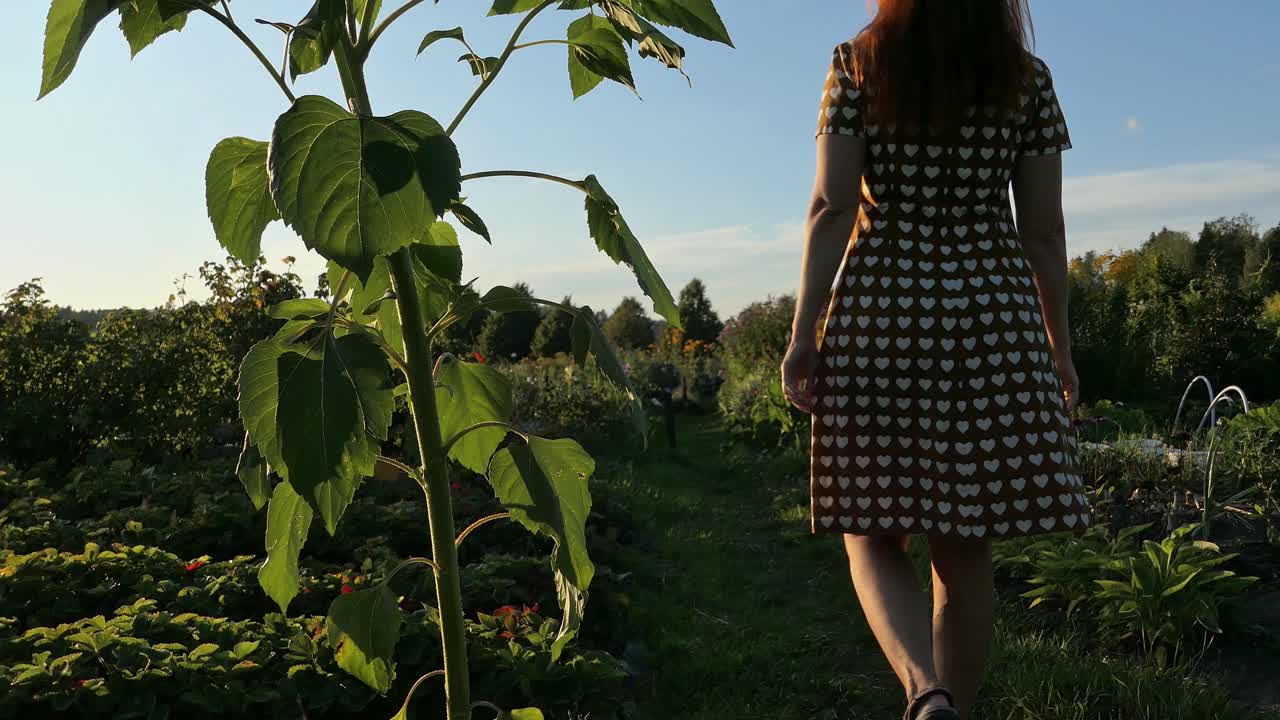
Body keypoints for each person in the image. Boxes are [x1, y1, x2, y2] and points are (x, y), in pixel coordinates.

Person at [779, 2, 1092, 719]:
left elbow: (831, 204)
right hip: (993, 317)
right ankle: (959, 710)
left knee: (868, 528)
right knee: (964, 541)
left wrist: (804, 333)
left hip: (883, 312)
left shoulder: (857, 65)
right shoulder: (1025, 79)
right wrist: (1058, 346)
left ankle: (928, 695)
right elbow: (1043, 229)